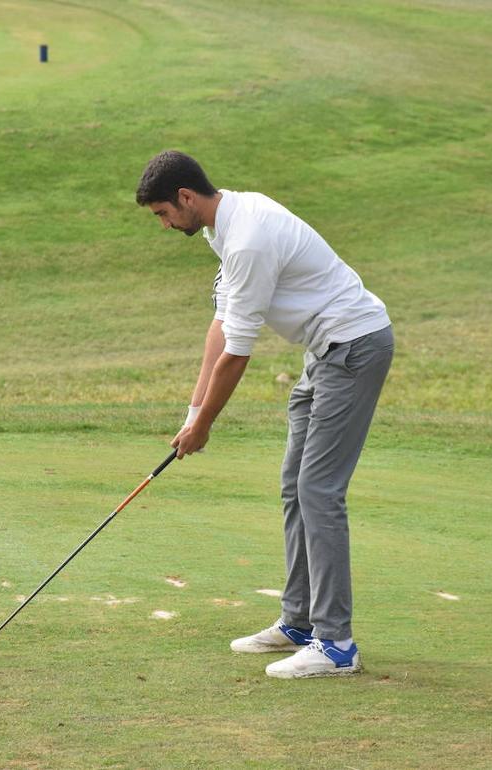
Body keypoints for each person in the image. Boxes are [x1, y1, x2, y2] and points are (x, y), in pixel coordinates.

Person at [135, 150, 394, 679]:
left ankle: (336, 644)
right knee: (294, 485)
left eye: (163, 213)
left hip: (354, 347)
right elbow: (221, 324)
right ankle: (299, 623)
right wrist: (192, 411)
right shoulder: (223, 226)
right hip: (324, 353)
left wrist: (205, 425)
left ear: (186, 198)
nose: (163, 225)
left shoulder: (247, 238)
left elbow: (238, 353)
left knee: (319, 490)